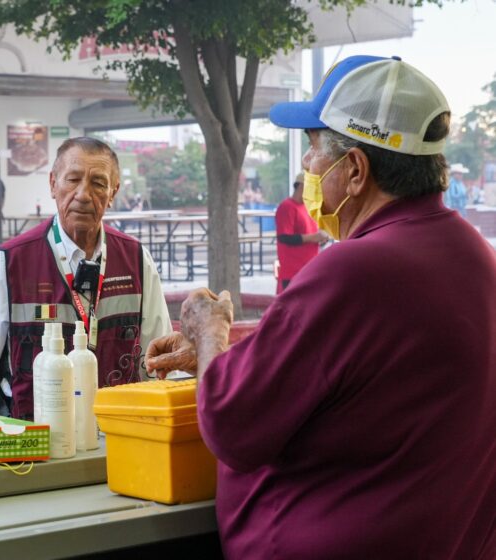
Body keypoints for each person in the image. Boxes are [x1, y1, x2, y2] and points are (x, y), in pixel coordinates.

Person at [146, 55, 496, 559]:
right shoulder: (474, 254)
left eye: (312, 150)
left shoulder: (354, 271)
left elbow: (230, 423)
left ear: (355, 170)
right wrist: (214, 354)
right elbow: (352, 372)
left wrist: (211, 331)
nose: (307, 167)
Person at [0, 137, 172, 418]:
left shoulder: (136, 260)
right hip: (33, 441)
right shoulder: (10, 262)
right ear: (53, 184)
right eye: (72, 179)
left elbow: (155, 364)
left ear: (113, 192)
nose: (83, 194)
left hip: (116, 434)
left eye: (98, 183)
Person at [274, 172, 330, 293]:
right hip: (292, 272)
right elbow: (284, 238)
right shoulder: (287, 207)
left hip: (309, 269)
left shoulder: (307, 208)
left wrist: (321, 239)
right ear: (301, 187)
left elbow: (312, 236)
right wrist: (313, 237)